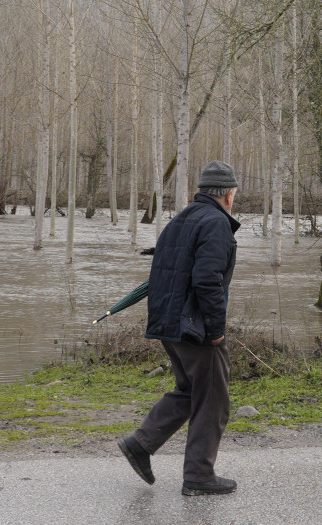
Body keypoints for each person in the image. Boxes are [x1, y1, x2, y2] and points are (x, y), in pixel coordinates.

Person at [118, 160, 242, 496]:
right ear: (229, 195)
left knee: (190, 390)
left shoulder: (182, 219)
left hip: (167, 322)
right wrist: (216, 329)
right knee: (213, 399)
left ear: (203, 191)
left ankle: (141, 444)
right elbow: (207, 280)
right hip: (194, 326)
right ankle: (199, 477)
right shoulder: (216, 223)